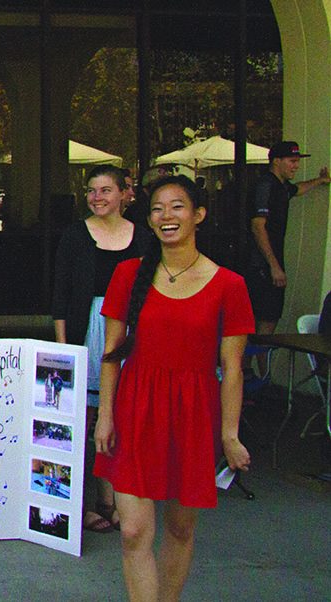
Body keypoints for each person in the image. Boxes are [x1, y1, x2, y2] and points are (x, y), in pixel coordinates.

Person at [94, 175, 254, 602]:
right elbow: (111, 354)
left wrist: (230, 433)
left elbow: (232, 368)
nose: (167, 216)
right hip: (134, 409)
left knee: (180, 528)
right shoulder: (128, 275)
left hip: (193, 414)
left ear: (198, 215)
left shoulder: (229, 285)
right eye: (158, 209)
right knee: (132, 530)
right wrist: (104, 416)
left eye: (177, 206)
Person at [52, 164, 150, 534]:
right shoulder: (76, 236)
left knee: (119, 418)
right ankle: (75, 504)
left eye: (106, 190)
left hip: (128, 332)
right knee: (84, 420)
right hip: (86, 332)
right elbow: (60, 294)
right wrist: (64, 349)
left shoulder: (142, 237)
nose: (97, 197)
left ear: (125, 193)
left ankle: (109, 499)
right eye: (92, 191)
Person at [246, 141, 330, 354]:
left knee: (269, 319)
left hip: (271, 262)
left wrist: (320, 180)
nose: (296, 166)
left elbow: (297, 190)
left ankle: (258, 374)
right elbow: (258, 226)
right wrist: (273, 266)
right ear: (276, 161)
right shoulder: (265, 184)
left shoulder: (281, 186)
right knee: (262, 320)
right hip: (261, 264)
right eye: (292, 161)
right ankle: (253, 373)